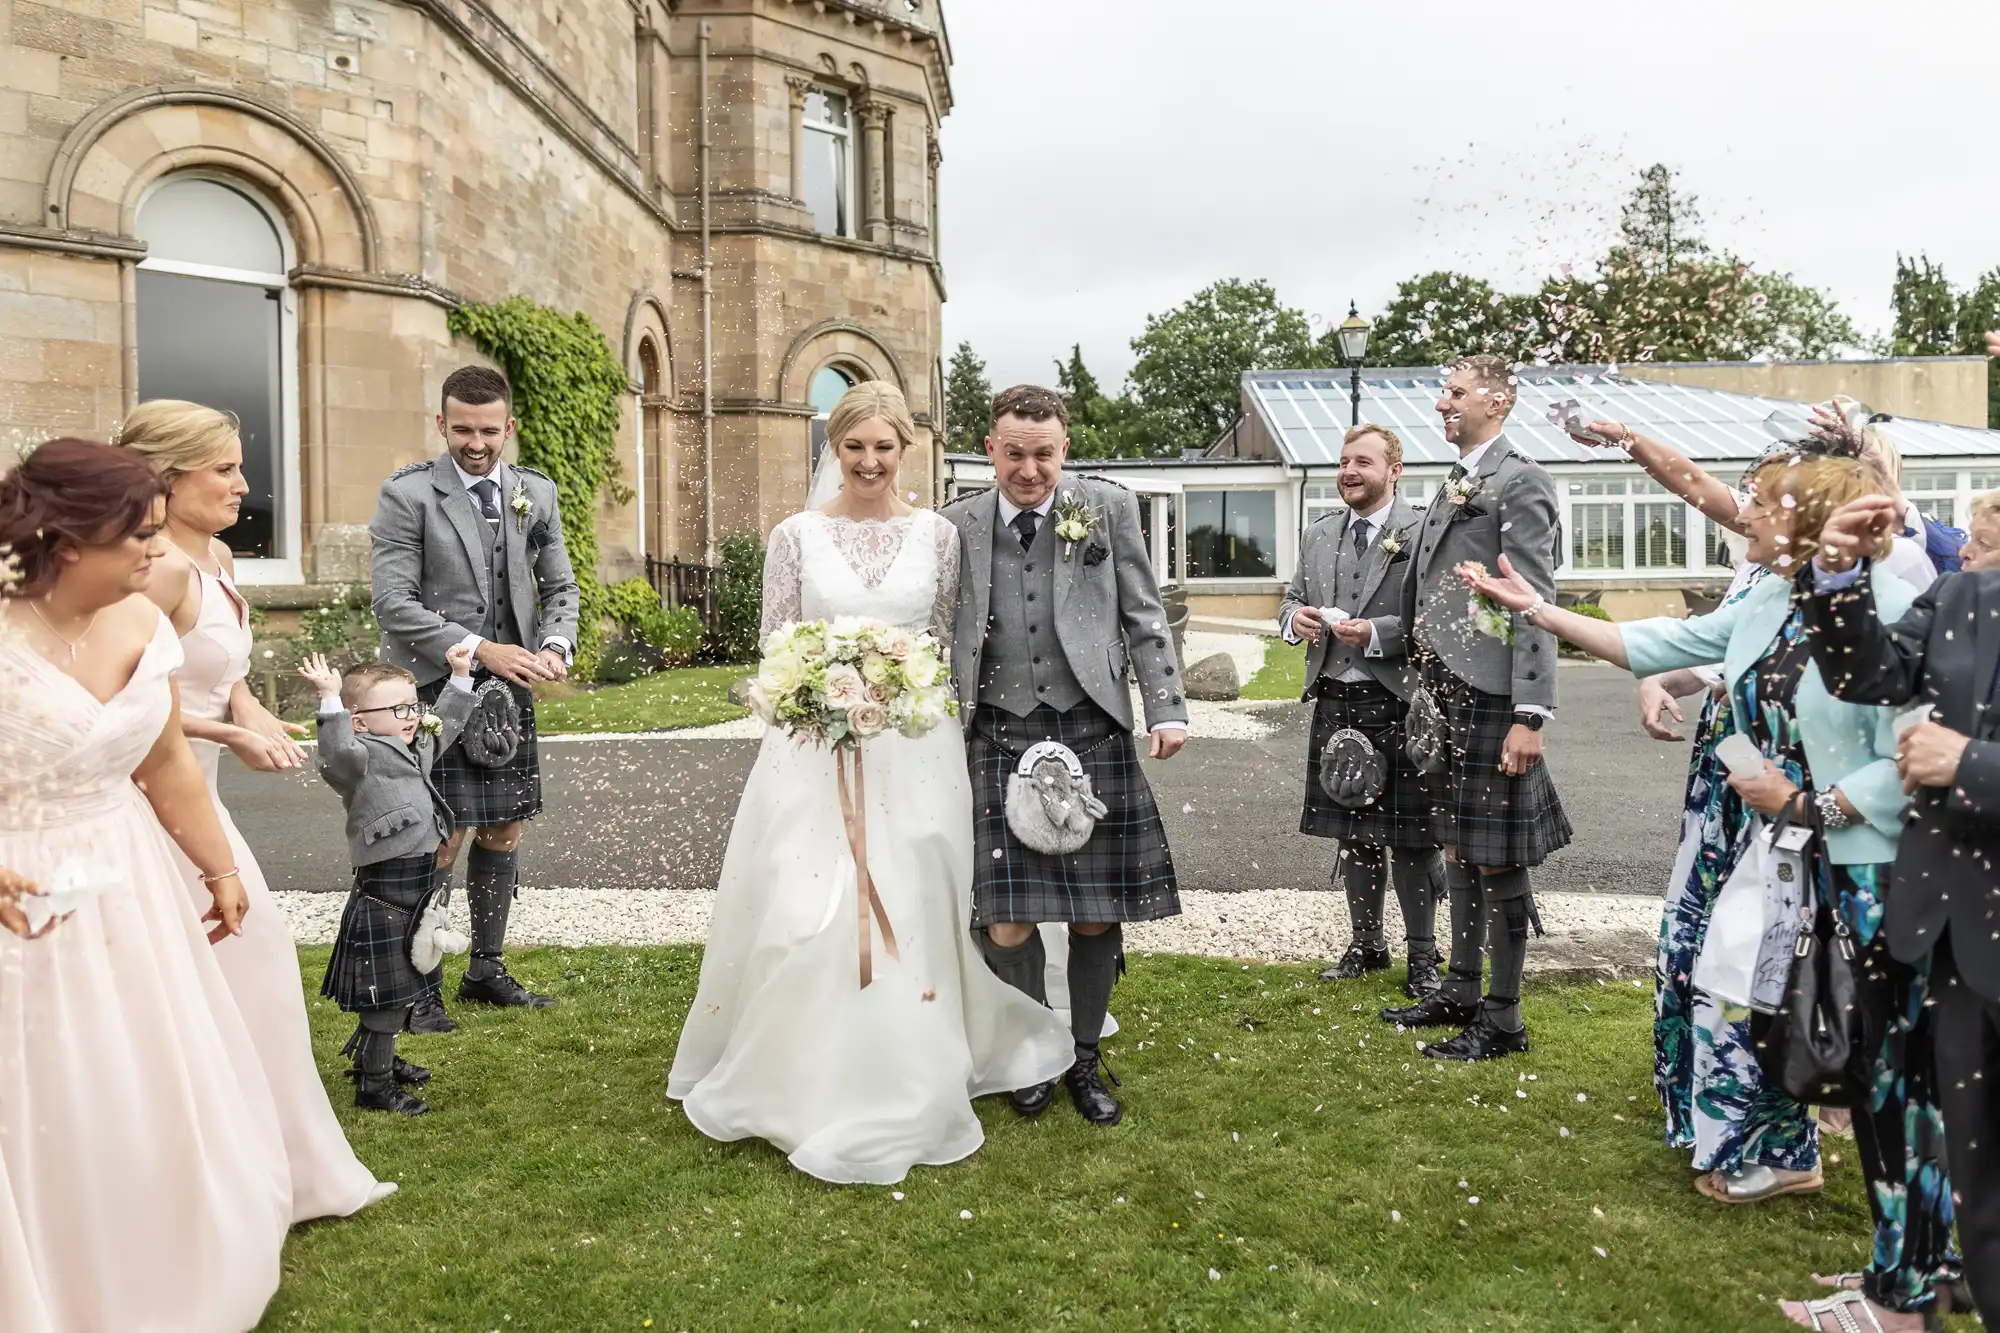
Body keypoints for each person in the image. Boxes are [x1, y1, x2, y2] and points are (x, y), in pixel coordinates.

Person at [1467, 453, 1961, 1331]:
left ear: (1814, 520)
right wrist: (1536, 609)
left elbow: (1922, 754)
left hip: (1871, 868)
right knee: (1795, 1027)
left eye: (1765, 504)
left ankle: (1909, 1279)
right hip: (1782, 849)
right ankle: (1898, 1263)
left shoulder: (1888, 605)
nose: (1746, 517)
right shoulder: (1766, 597)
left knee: (1895, 1080)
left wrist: (1815, 803)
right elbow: (1657, 644)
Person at [668, 382, 1073, 1184]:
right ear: (834, 447)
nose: (870, 461)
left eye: (885, 447)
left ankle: (918, 1053)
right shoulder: (795, 536)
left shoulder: (937, 535)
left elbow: (947, 636)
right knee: (804, 900)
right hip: (816, 752)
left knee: (922, 885)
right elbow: (776, 646)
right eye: (855, 446)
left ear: (905, 450)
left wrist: (908, 696)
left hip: (916, 748)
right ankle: (800, 1068)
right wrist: (818, 697)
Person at [0, 439, 292, 1333]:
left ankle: (153, 1248)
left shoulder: (142, 624)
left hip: (126, 884)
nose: (156, 559)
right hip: (20, 901)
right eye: (139, 538)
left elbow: (167, 764)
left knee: (136, 1069)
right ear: (66, 538)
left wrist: (219, 867)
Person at [120, 398, 390, 1218]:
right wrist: (224, 733)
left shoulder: (223, 561)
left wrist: (247, 706)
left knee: (249, 968)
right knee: (216, 966)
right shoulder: (151, 570)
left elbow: (214, 663)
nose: (245, 484)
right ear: (167, 478)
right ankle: (214, 1168)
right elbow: (129, 704)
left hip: (197, 785)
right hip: (150, 800)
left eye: (241, 465)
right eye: (225, 469)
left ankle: (275, 1163)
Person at [944, 383, 1189, 1125]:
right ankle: (1029, 1052)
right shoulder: (954, 524)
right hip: (995, 728)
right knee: (1008, 920)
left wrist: (1168, 705)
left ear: (1064, 449)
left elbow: (1145, 613)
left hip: (1090, 725)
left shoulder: (1107, 509)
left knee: (1091, 913)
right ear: (990, 449)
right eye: (1014, 453)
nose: (1029, 469)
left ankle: (1082, 1056)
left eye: (1043, 454)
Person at [1799, 491, 2000, 1329]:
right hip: (1958, 935)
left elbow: (1960, 757)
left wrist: (1974, 764)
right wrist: (1839, 574)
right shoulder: (1963, 594)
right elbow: (1867, 675)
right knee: (1982, 1196)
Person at [370, 365, 581, 1023]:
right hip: (435, 685)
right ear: (442, 424)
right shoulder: (408, 496)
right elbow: (392, 603)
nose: (476, 442)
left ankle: (485, 970)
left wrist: (555, 646)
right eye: (462, 428)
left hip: (509, 688)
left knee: (504, 827)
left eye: (489, 429)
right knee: (439, 836)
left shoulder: (533, 493)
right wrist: (480, 648)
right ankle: (419, 982)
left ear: (508, 427)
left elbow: (563, 589)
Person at [1381, 354, 1571, 1061]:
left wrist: (1531, 712)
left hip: (1493, 695)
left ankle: (1505, 1016)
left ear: (1498, 400)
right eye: (1443, 392)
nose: (1442, 404)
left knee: (1496, 858)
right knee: (1457, 844)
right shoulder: (1460, 480)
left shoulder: (1520, 480)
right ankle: (1461, 988)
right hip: (1442, 692)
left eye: (1456, 393)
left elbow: (1536, 598)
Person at [1276, 423, 1444, 995]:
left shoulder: (1421, 530)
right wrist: (1292, 622)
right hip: (1334, 698)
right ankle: (1367, 944)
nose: (1349, 471)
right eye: (1344, 461)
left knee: (1413, 838)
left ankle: (1424, 957)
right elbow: (1293, 598)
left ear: (1394, 471)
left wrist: (1376, 632)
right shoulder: (1319, 534)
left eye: (1363, 462)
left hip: (1395, 699)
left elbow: (1435, 614)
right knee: (1354, 831)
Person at [302, 648, 477, 1116]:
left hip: (416, 884)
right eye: (398, 709)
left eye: (413, 705)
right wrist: (331, 700)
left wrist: (460, 676)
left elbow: (449, 723)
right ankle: (374, 1087)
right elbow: (334, 752)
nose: (413, 715)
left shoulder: (415, 742)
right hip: (386, 886)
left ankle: (374, 1058)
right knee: (388, 989)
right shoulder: (356, 759)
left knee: (405, 979)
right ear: (359, 721)